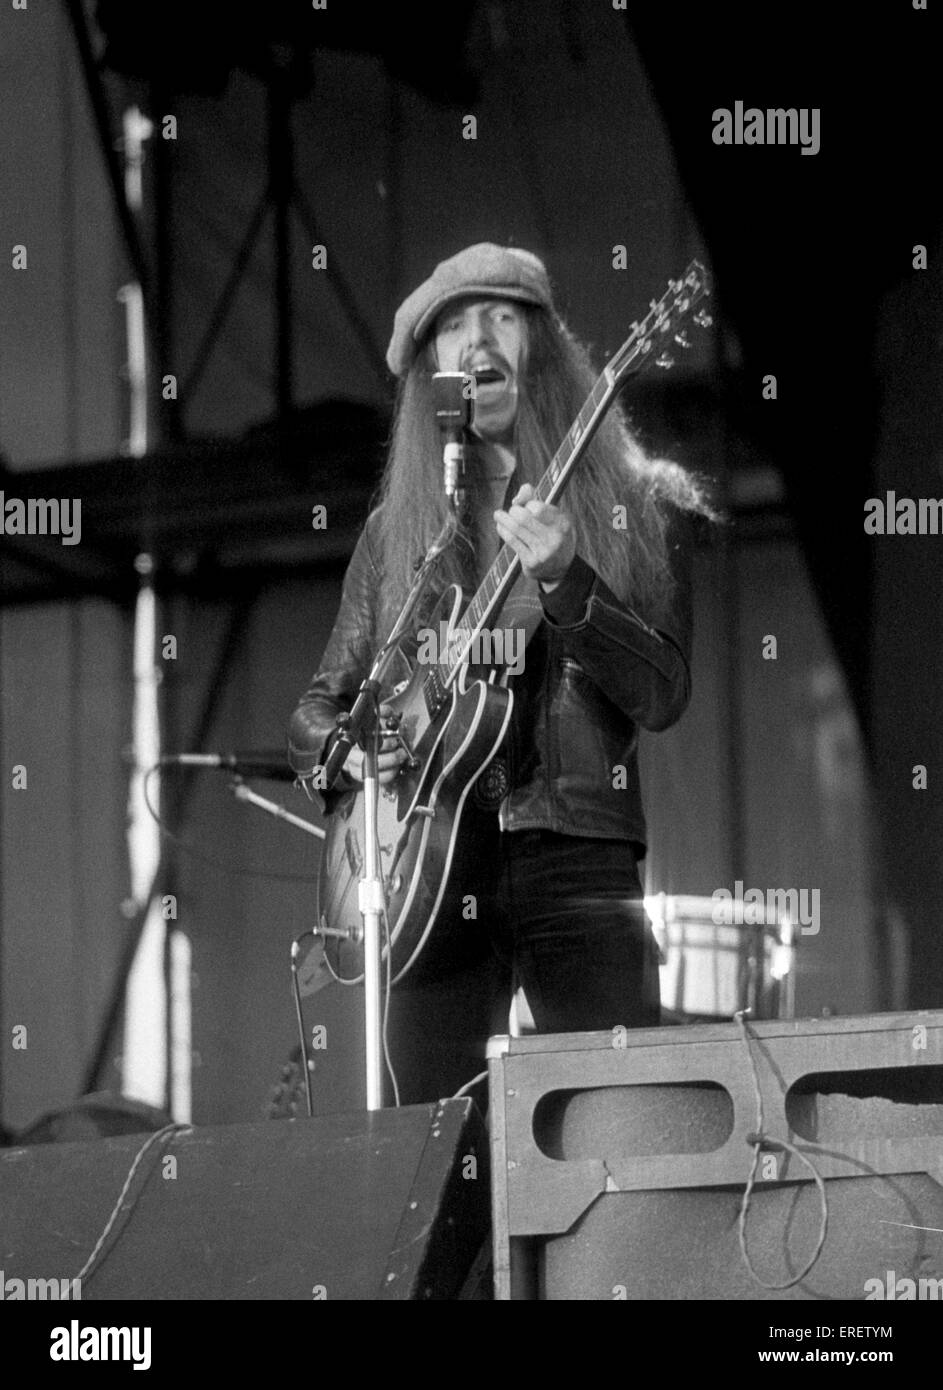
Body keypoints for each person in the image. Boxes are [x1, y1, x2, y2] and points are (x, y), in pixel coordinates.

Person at [288, 243, 716, 1105]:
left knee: (613, 1124)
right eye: (450, 327)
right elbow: (315, 713)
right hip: (427, 870)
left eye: (500, 317)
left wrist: (568, 581)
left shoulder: (640, 500)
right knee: (434, 1150)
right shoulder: (393, 533)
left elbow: (662, 691)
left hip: (575, 859)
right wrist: (349, 757)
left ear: (543, 349)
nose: (474, 339)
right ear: (430, 374)